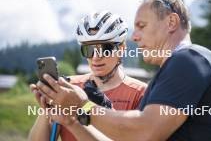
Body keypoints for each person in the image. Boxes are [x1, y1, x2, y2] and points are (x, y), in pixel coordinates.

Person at [36, 0, 211, 141]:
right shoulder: (180, 66)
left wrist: (82, 106)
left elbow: (144, 131)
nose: (134, 36)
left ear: (171, 22)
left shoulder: (188, 59)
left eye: (142, 26)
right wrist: (71, 120)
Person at [28, 11, 147, 141]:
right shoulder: (69, 88)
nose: (96, 57)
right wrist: (47, 111)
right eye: (88, 50)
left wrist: (94, 110)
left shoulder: (140, 93)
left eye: (104, 49)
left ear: (122, 48)